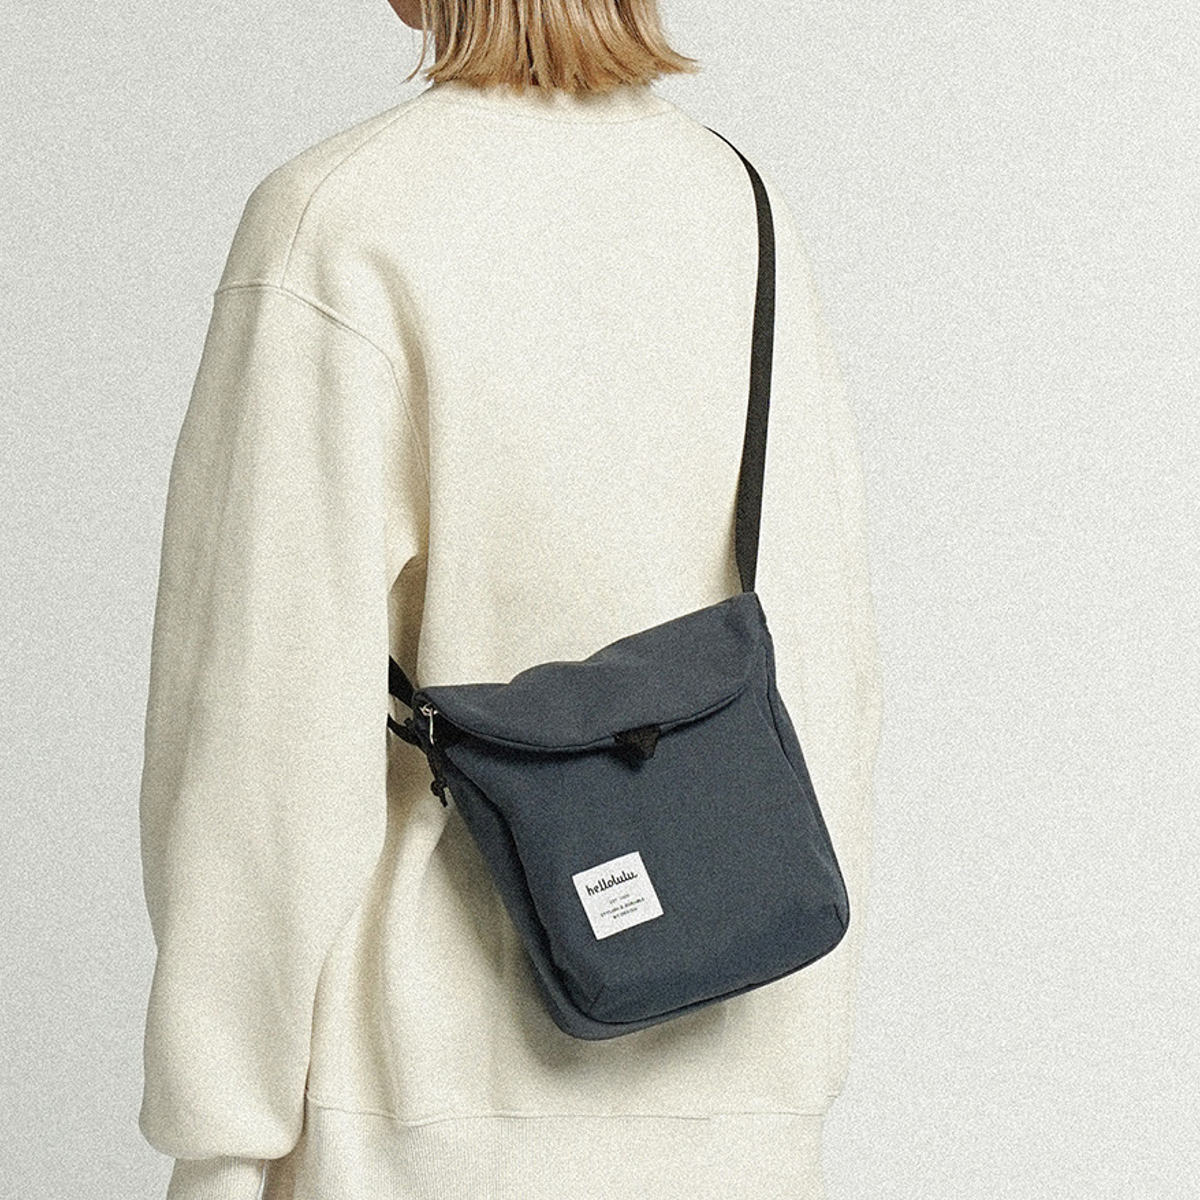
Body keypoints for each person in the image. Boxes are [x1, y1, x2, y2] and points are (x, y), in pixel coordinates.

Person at [135, 2, 884, 1197]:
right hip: (733, 1104)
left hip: (422, 1112)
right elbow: (827, 670)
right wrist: (790, 1072)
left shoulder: (340, 221)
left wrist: (221, 1133)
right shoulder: (741, 207)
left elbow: (261, 731)